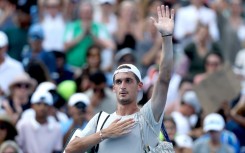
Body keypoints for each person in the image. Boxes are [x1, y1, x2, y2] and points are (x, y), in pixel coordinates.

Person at [64, 4, 174, 153]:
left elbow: (164, 79)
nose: (123, 85)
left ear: (139, 86)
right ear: (113, 87)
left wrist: (166, 37)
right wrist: (105, 133)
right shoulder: (100, 119)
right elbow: (70, 149)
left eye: (128, 81)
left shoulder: (148, 116)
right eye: (118, 81)